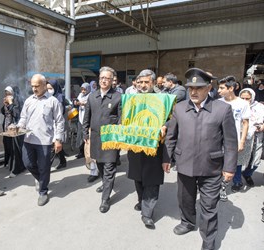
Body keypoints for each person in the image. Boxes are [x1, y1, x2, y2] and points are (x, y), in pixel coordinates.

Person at [163, 68, 238, 250]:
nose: (194, 92)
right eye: (190, 88)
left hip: (211, 168)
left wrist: (229, 168)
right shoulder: (180, 108)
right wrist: (166, 158)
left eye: (199, 88)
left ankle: (208, 241)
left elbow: (230, 142)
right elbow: (171, 136)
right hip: (184, 165)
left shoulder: (223, 109)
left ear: (208, 87)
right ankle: (187, 222)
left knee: (209, 207)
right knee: (185, 200)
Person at [127, 69, 167, 229]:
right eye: (140, 82)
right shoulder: (131, 99)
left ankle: (147, 213)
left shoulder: (163, 99)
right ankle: (141, 200)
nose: (143, 85)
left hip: (154, 148)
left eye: (146, 82)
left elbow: (171, 119)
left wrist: (165, 126)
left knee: (152, 179)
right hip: (135, 146)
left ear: (153, 83)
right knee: (138, 177)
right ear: (136, 83)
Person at [17, 74, 64, 206]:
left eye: (37, 86)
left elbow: (59, 121)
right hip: (28, 139)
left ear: (44, 85)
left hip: (45, 141)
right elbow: (23, 118)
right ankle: (42, 179)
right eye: (32, 86)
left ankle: (43, 191)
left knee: (44, 167)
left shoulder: (53, 101)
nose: (34, 89)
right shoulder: (28, 101)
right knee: (28, 164)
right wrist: (19, 127)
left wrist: (58, 139)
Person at [83, 66, 121, 213]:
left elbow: (121, 118)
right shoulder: (92, 96)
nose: (104, 80)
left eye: (107, 78)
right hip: (96, 137)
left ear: (112, 81)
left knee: (109, 167)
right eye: (101, 78)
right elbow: (87, 116)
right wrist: (85, 134)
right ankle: (105, 183)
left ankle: (105, 199)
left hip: (111, 138)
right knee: (99, 163)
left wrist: (118, 136)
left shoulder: (118, 96)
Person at [217, 76, 250, 193]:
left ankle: (223, 188)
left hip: (232, 141)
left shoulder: (243, 104)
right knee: (217, 165)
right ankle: (217, 187)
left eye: (221, 88)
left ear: (231, 88)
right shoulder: (217, 103)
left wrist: (241, 141)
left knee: (230, 165)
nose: (218, 91)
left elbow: (245, 123)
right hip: (217, 140)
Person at [239, 88, 264, 187]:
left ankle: (247, 174)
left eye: (247, 99)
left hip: (257, 137)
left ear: (252, 98)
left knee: (256, 160)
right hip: (241, 137)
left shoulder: (260, 107)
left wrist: (262, 126)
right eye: (242, 98)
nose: (245, 101)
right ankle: (237, 181)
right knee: (239, 161)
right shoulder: (236, 106)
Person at [1, 86, 25, 177]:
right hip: (7, 127)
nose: (8, 95)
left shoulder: (18, 101)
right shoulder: (9, 101)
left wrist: (11, 103)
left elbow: (17, 114)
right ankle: (11, 165)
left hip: (16, 127)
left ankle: (16, 169)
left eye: (9, 94)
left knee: (16, 149)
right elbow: (4, 112)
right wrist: (5, 105)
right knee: (9, 147)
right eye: (6, 94)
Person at [47, 79, 67, 170]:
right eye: (47, 89)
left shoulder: (60, 97)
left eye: (50, 88)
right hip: (50, 124)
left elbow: (60, 113)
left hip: (57, 123)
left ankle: (46, 167)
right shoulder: (48, 97)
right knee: (56, 144)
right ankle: (63, 161)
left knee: (53, 146)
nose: (48, 90)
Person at [73, 82, 91, 159]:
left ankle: (86, 151)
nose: (83, 91)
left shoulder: (90, 96)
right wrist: (76, 103)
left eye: (85, 89)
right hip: (80, 117)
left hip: (87, 118)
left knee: (86, 135)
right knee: (80, 135)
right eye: (82, 89)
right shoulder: (80, 95)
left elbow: (90, 105)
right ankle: (81, 151)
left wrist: (83, 104)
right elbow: (76, 102)